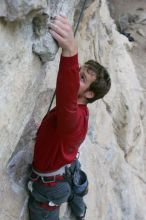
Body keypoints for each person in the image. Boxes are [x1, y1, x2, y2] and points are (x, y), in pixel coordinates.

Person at [27, 15, 111, 220]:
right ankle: (78, 206)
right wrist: (46, 132)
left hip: (50, 189)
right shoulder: (80, 113)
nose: (75, 77)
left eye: (81, 78)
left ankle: (75, 203)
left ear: (90, 94)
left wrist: (70, 53)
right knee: (74, 175)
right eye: (79, 70)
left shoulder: (72, 116)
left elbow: (65, 98)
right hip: (66, 168)